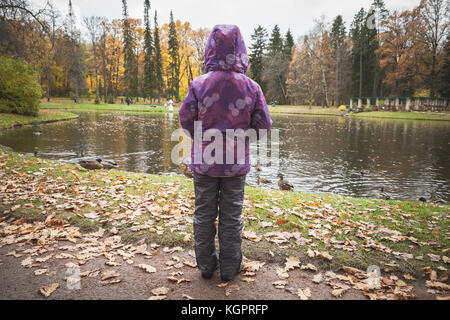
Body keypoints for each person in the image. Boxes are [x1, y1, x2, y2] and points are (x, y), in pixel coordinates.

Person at [179, 25, 272, 282]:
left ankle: (207, 266)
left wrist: (200, 139)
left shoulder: (199, 84)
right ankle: (229, 269)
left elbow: (185, 118)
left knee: (204, 214)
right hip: (234, 164)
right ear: (241, 50)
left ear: (210, 49)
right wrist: (243, 142)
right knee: (231, 216)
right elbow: (264, 124)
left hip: (205, 163)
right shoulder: (251, 87)